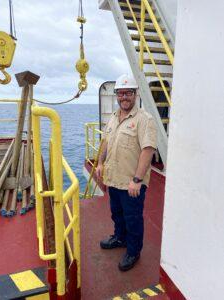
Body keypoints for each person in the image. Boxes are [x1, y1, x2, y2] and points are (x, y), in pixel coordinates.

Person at [95, 74, 157, 271]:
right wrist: (99, 163)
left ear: (135, 94)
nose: (124, 97)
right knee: (117, 213)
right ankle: (120, 238)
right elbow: (105, 142)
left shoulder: (144, 120)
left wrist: (137, 180)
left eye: (128, 93)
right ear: (116, 95)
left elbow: (148, 150)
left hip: (131, 184)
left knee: (133, 218)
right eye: (120, 93)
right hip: (113, 179)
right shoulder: (113, 118)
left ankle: (133, 251)